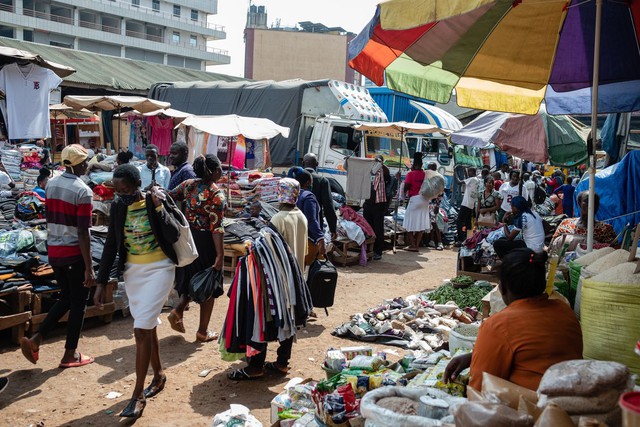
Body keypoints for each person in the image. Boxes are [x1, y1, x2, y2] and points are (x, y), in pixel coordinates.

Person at [94, 164, 180, 418]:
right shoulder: (119, 206)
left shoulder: (156, 199)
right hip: (133, 273)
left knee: (140, 330)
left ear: (137, 185)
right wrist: (101, 283)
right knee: (148, 324)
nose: (123, 194)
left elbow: (173, 233)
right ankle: (159, 374)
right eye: (118, 190)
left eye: (127, 189)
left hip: (160, 270)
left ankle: (137, 395)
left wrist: (158, 206)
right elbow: (111, 243)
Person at [444, 248, 582, 391]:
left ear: (503, 288)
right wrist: (473, 357)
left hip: (532, 408)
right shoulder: (564, 310)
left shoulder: (498, 326)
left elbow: (480, 391)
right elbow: (537, 354)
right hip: (574, 399)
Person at [20, 144, 94, 369]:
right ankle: (70, 354)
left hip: (54, 251)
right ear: (79, 163)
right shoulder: (83, 191)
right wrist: (89, 267)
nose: (87, 165)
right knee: (78, 303)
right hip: (73, 253)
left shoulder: (51, 184)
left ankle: (37, 339)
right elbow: (83, 231)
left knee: (67, 299)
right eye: (85, 162)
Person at [227, 178, 307, 380]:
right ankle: (282, 363)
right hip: (294, 275)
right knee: (289, 319)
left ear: (280, 194)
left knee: (262, 317)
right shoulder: (301, 217)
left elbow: (267, 248)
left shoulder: (279, 219)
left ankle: (255, 366)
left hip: (276, 276)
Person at [168, 155, 226, 343]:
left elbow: (169, 196)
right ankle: (202, 331)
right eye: (220, 169)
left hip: (188, 239)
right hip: (207, 242)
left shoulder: (188, 185)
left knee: (192, 279)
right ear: (215, 171)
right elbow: (216, 228)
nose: (222, 172)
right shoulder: (216, 194)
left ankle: (177, 311)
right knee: (209, 285)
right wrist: (219, 255)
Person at [549, 191, 616, 252]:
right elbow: (552, 247)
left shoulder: (605, 229)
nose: (592, 204)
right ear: (579, 203)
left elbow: (612, 252)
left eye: (595, 202)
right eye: (587, 201)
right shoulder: (566, 224)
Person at [290, 167, 325, 264]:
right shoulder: (308, 197)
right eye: (311, 181)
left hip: (293, 238)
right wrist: (320, 239)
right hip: (307, 241)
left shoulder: (293, 195)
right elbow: (311, 220)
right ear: (307, 183)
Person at [302, 153, 338, 241]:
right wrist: (333, 228)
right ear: (317, 164)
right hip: (316, 224)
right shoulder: (322, 181)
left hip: (297, 223)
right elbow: (328, 206)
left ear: (303, 163)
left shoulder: (296, 179)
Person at [363, 155, 393, 260]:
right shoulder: (368, 171)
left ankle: (377, 251)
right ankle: (368, 250)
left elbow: (386, 172)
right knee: (367, 227)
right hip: (368, 203)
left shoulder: (384, 174)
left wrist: (380, 163)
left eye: (377, 162)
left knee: (378, 228)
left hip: (378, 205)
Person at [402, 154, 429, 252]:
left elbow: (406, 187)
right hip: (425, 200)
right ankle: (416, 245)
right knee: (421, 223)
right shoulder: (426, 174)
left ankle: (413, 245)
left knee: (409, 223)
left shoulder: (410, 174)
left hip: (414, 199)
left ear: (414, 165)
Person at [454, 167, 479, 246]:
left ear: (472, 172)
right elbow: (467, 179)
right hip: (471, 204)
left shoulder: (471, 179)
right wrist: (465, 171)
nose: (468, 173)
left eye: (469, 172)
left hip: (466, 204)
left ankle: (461, 240)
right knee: (468, 223)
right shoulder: (476, 180)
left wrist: (455, 172)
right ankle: (468, 239)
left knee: (459, 221)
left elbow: (458, 182)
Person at [426, 163, 444, 251]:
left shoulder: (438, 179)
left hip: (433, 204)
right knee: (431, 222)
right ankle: (432, 241)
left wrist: (437, 205)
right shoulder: (429, 178)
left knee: (434, 223)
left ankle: (440, 242)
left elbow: (441, 194)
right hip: (428, 202)